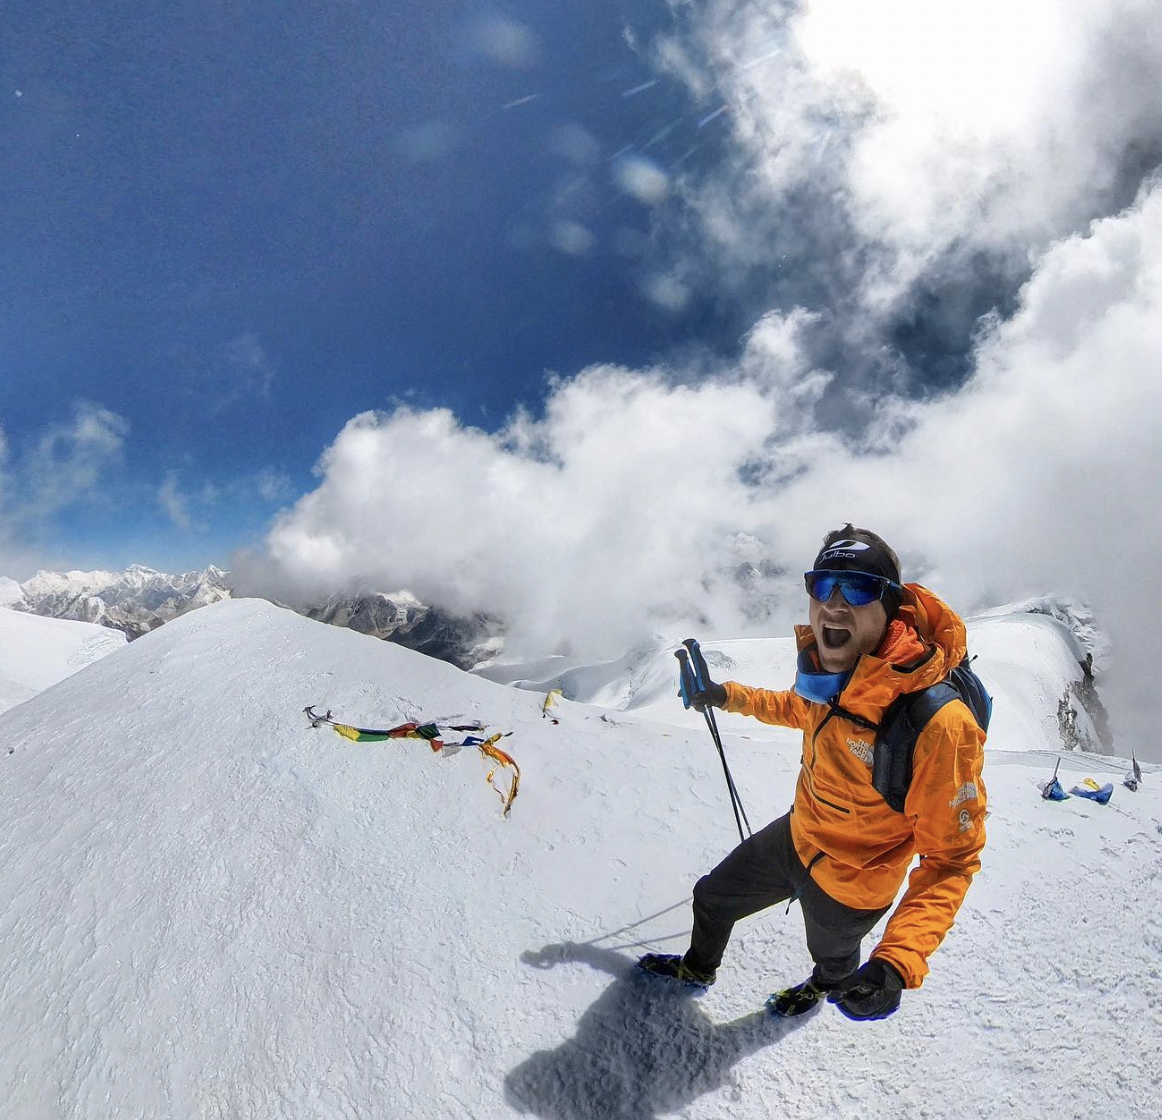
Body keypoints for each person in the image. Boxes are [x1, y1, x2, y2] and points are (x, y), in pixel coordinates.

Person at [638, 525, 988, 1021]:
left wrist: (895, 963)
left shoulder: (939, 724)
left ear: (890, 606)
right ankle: (699, 969)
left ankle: (823, 987)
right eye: (823, 585)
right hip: (798, 836)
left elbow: (951, 861)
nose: (835, 605)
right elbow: (795, 708)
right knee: (712, 898)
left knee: (835, 960)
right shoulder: (833, 680)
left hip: (855, 885)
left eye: (859, 588)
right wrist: (724, 696)